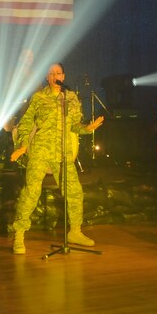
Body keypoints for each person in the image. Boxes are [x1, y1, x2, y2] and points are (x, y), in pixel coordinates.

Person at [9, 63, 103, 255]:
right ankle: (19, 234)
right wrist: (22, 146)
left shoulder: (70, 97)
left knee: (75, 191)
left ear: (63, 76)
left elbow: (75, 125)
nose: (55, 76)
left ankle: (75, 231)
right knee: (31, 192)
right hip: (40, 151)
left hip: (62, 153)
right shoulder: (39, 97)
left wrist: (87, 128)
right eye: (51, 73)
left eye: (58, 73)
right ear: (47, 77)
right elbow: (26, 123)